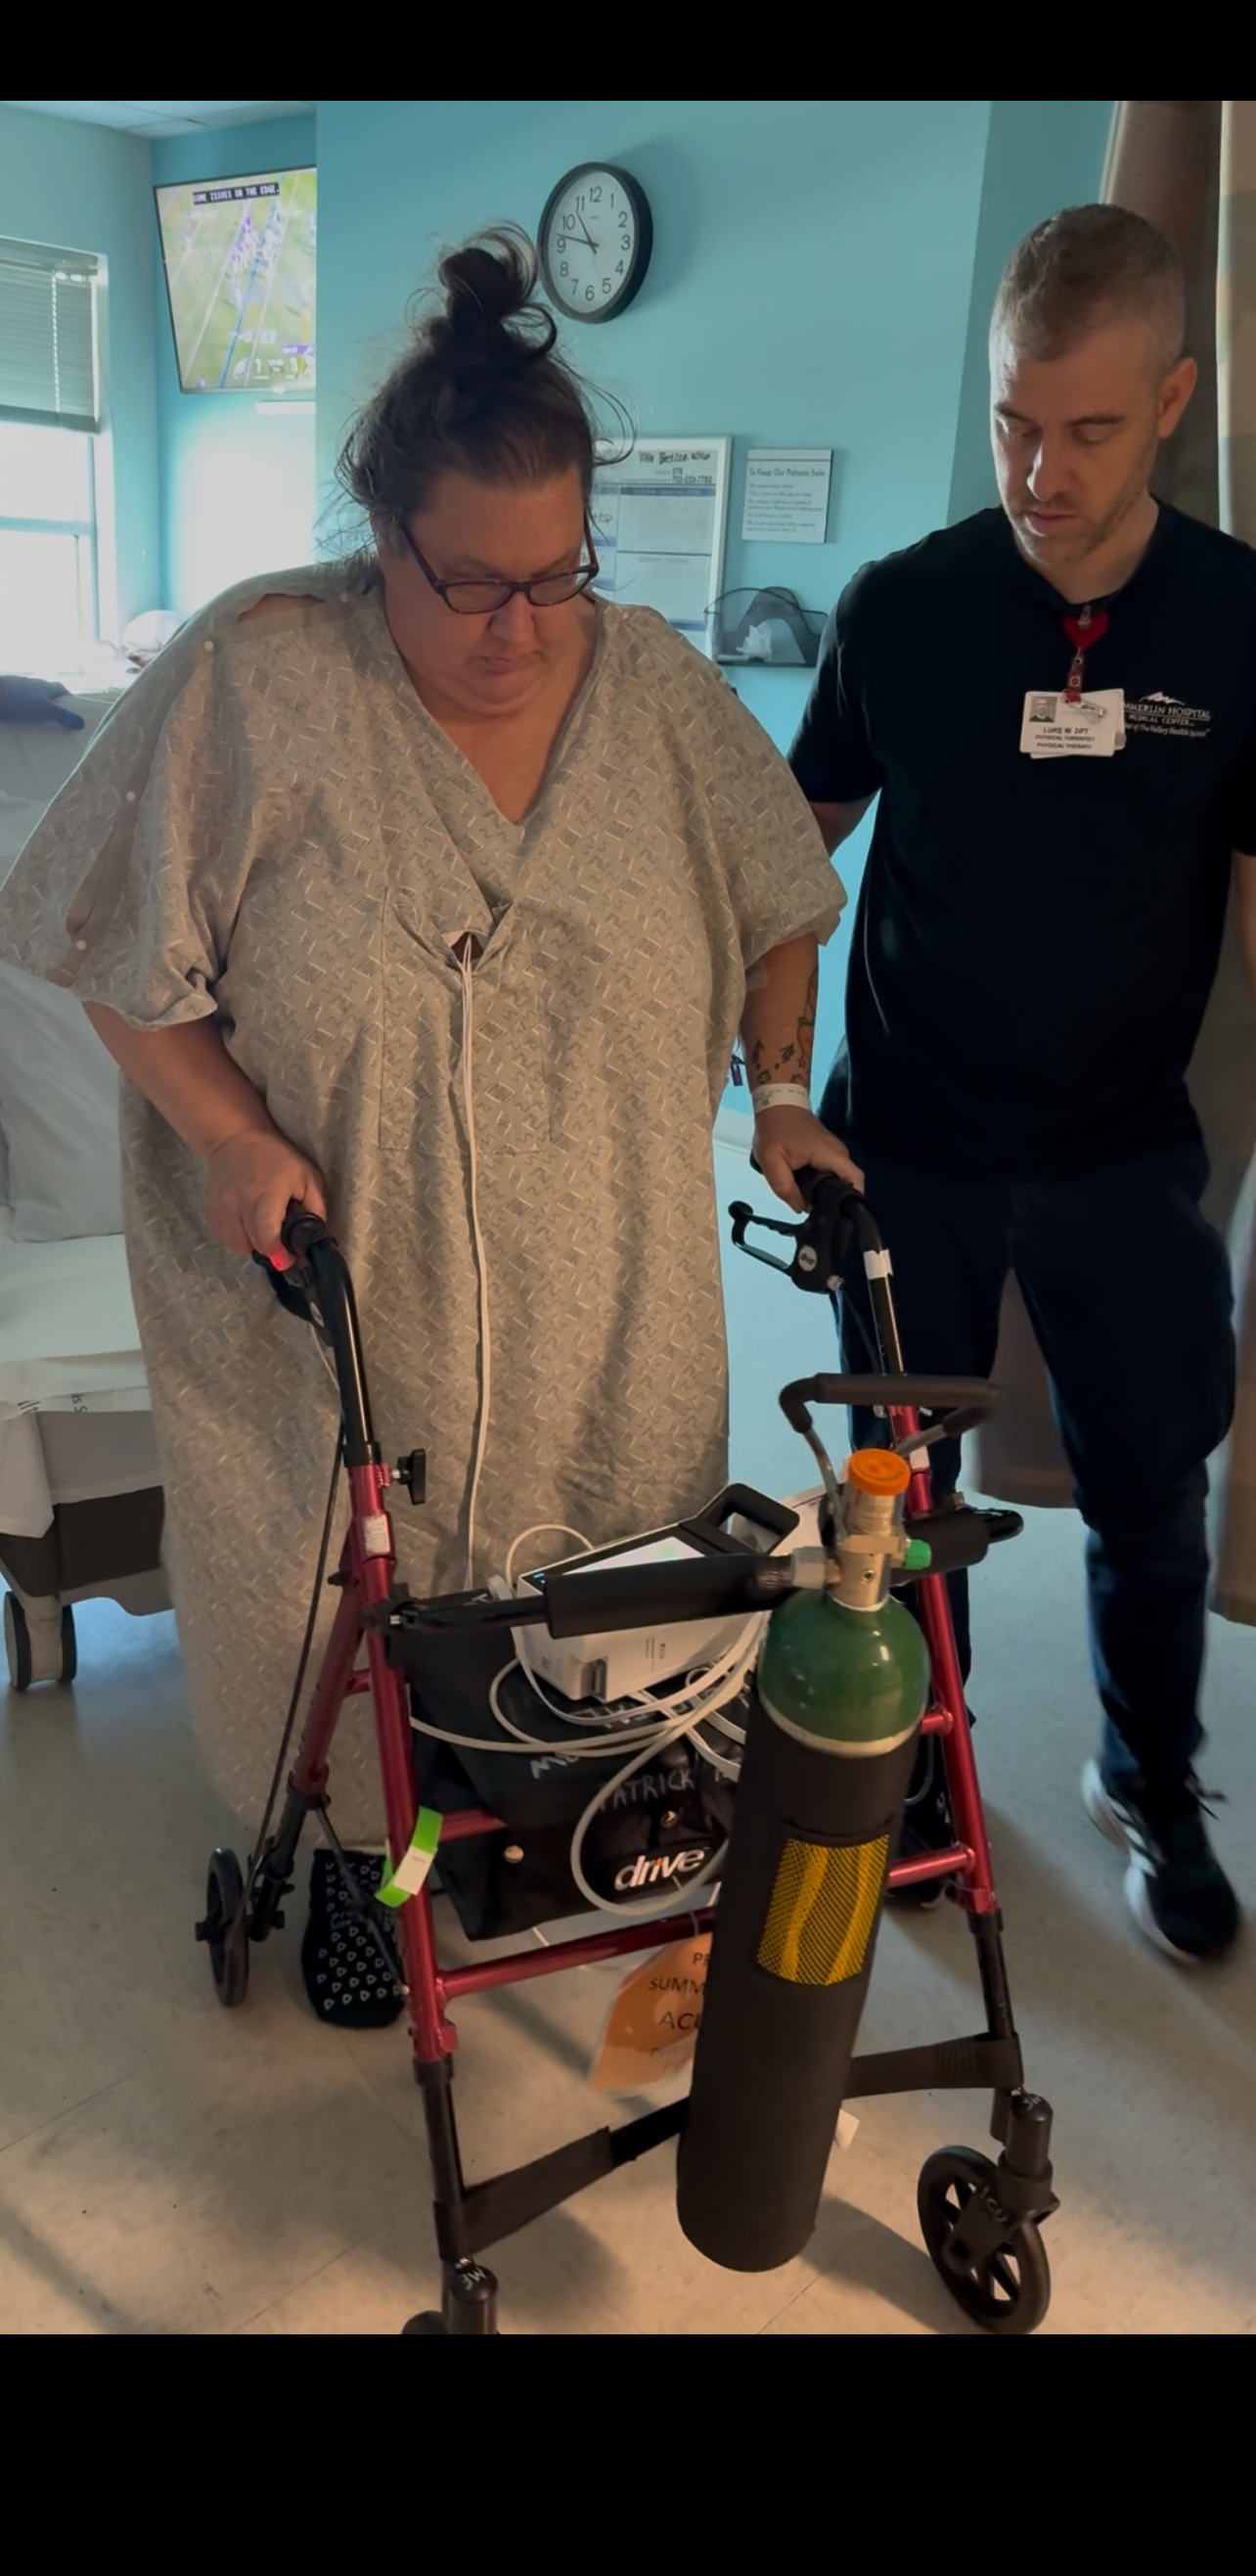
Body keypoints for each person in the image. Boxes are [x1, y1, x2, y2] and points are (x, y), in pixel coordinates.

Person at [0, 229, 853, 2022]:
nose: (516, 627)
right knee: (327, 1597)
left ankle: (566, 1822)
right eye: (467, 580)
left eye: (556, 575)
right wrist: (229, 1135)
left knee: (599, 1581)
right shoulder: (258, 677)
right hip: (336, 1283)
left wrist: (780, 1093)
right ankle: (342, 1852)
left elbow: (784, 886)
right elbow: (101, 941)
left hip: (606, 1288)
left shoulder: (654, 690)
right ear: (377, 534)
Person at [790, 203, 1256, 1965]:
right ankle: (928, 1765)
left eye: (1090, 430)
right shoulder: (904, 608)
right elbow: (793, 855)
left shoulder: (1237, 620)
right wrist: (768, 1077)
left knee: (1152, 1486)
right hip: (908, 1138)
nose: (1041, 475)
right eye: (1012, 422)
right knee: (898, 1490)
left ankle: (1149, 1778)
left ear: (1175, 403)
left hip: (1122, 1145)